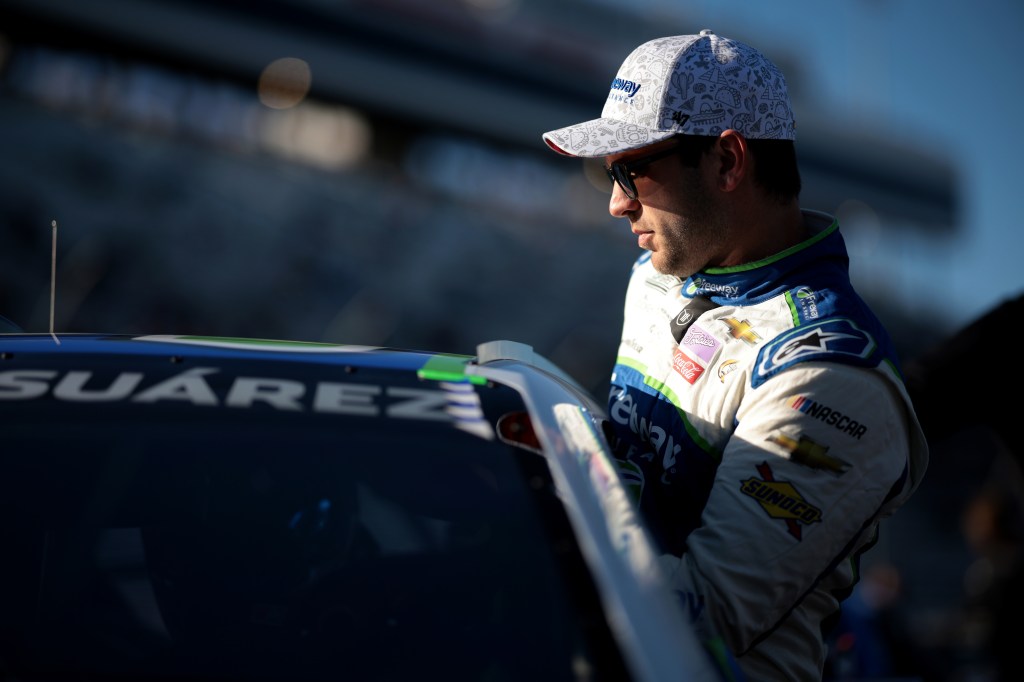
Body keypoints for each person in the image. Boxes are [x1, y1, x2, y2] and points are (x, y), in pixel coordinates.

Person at [541, 30, 929, 681]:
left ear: (727, 162)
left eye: (631, 170)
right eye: (606, 173)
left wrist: (525, 519)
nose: (615, 202)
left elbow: (702, 617)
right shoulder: (660, 274)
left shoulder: (831, 377)